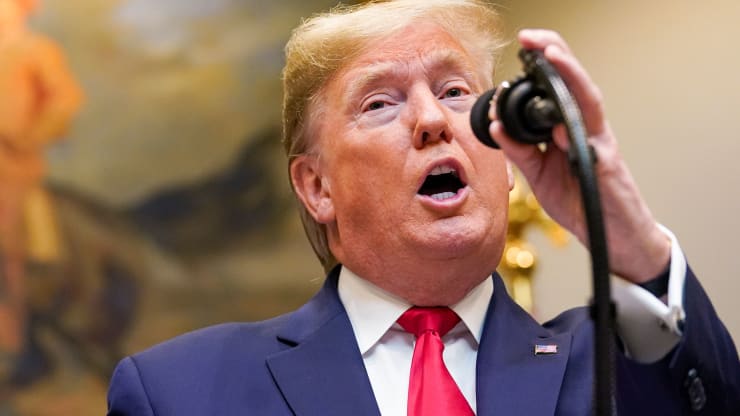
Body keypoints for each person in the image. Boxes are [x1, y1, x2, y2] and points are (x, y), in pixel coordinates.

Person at [106, 0, 740, 414]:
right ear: (316, 187)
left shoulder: (613, 368)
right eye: (379, 103)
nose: (434, 119)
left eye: (456, 90)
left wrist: (623, 224)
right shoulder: (180, 392)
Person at [0, 0, 83, 385]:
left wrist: (27, 137)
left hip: (13, 168)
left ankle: (12, 346)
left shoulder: (36, 50)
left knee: (7, 249)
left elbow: (65, 99)